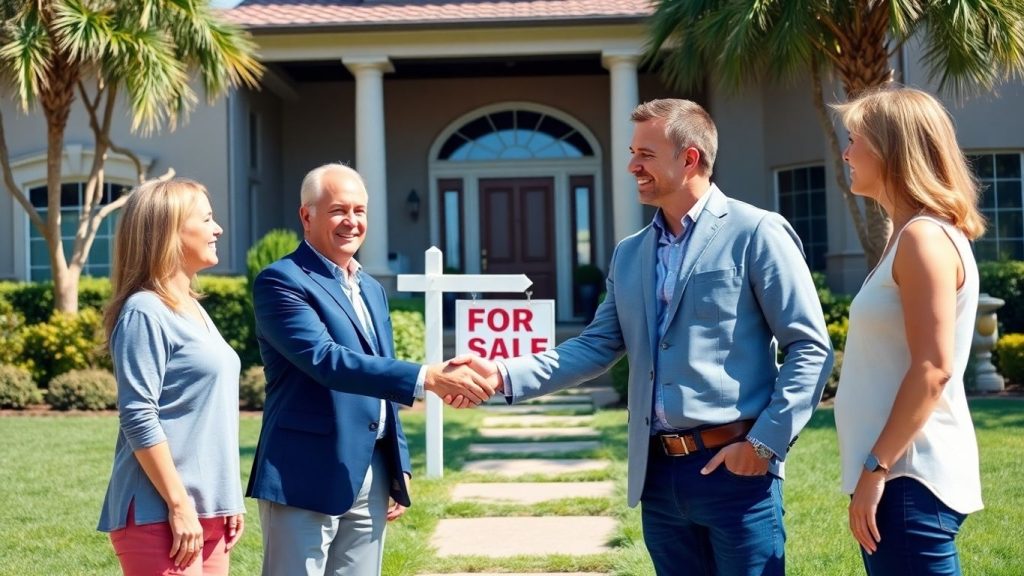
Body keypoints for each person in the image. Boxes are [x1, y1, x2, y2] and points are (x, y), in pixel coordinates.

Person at [459, 99, 833, 575]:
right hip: (658, 480)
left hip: (736, 472)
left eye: (646, 155)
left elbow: (810, 345)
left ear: (690, 158)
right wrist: (501, 373)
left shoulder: (756, 232)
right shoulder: (630, 254)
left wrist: (764, 445)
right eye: (633, 152)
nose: (632, 165)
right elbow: (596, 345)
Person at [246, 163, 496, 576]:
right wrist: (426, 377)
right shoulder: (281, 281)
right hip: (303, 472)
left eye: (360, 211)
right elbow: (325, 360)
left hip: (372, 471)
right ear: (306, 216)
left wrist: (399, 465)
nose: (352, 222)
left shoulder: (371, 288)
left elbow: (378, 379)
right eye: (338, 210)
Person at [833, 86, 985, 575]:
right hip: (899, 478)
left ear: (891, 149)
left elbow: (933, 368)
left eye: (855, 139)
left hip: (907, 479)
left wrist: (877, 469)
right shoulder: (910, 235)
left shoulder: (923, 238)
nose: (847, 152)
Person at [98, 178, 245, 575]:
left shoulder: (194, 309)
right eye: (207, 219)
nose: (218, 229)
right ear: (170, 233)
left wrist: (227, 497)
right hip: (160, 513)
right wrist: (179, 506)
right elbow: (138, 415)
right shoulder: (145, 311)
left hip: (208, 511)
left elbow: (208, 414)